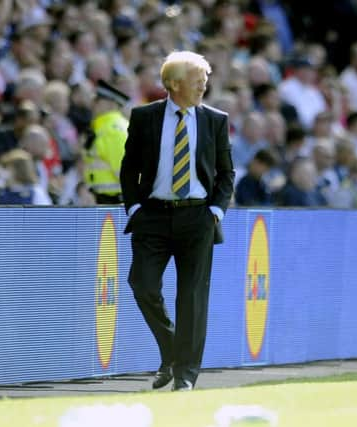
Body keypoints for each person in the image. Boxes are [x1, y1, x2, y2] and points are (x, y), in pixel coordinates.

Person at [120, 51, 234, 391]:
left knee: (193, 298)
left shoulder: (215, 119)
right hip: (152, 215)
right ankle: (171, 350)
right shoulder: (145, 117)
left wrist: (215, 211)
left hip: (198, 216)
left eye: (205, 79)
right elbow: (129, 169)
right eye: (197, 79)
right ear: (173, 83)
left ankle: (185, 375)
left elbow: (226, 172)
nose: (203, 85)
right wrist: (134, 209)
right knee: (142, 285)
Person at [83, 80, 130, 204]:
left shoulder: (112, 129)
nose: (93, 104)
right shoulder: (104, 127)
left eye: (98, 100)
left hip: (114, 201)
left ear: (112, 104)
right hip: (106, 200)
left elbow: (125, 173)